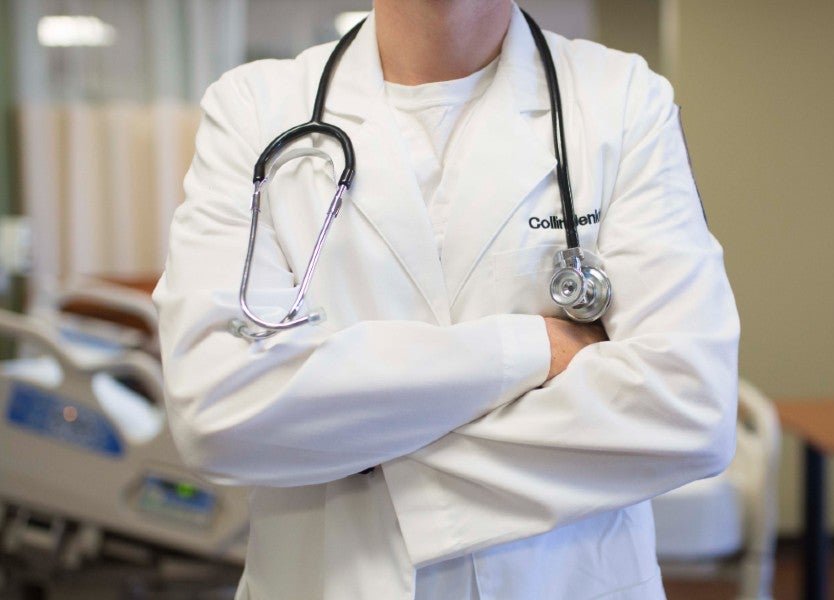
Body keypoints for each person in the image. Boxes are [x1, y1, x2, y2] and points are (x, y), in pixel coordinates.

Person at [153, 0, 740, 598]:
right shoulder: (256, 109)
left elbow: (688, 408)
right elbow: (219, 416)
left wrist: (355, 447)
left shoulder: (621, 98)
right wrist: (532, 346)